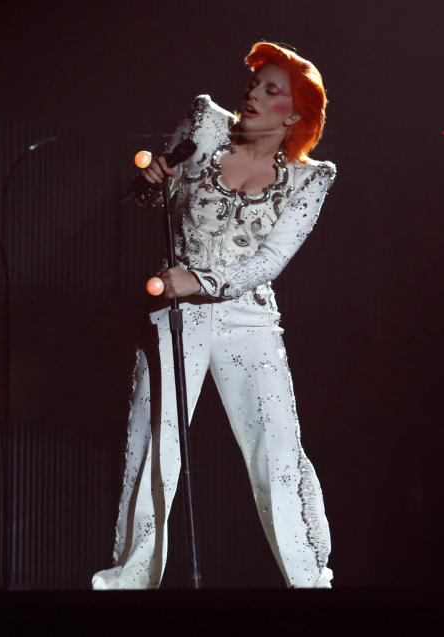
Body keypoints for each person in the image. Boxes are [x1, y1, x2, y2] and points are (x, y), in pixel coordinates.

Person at [92, 42, 336, 589]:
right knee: (157, 444)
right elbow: (147, 194)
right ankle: (129, 583)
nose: (253, 93)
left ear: (294, 114)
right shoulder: (204, 126)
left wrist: (206, 281)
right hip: (176, 314)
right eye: (255, 83)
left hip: (248, 318)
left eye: (271, 90)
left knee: (276, 449)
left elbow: (273, 258)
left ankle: (310, 583)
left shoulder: (309, 178)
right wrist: (155, 180)